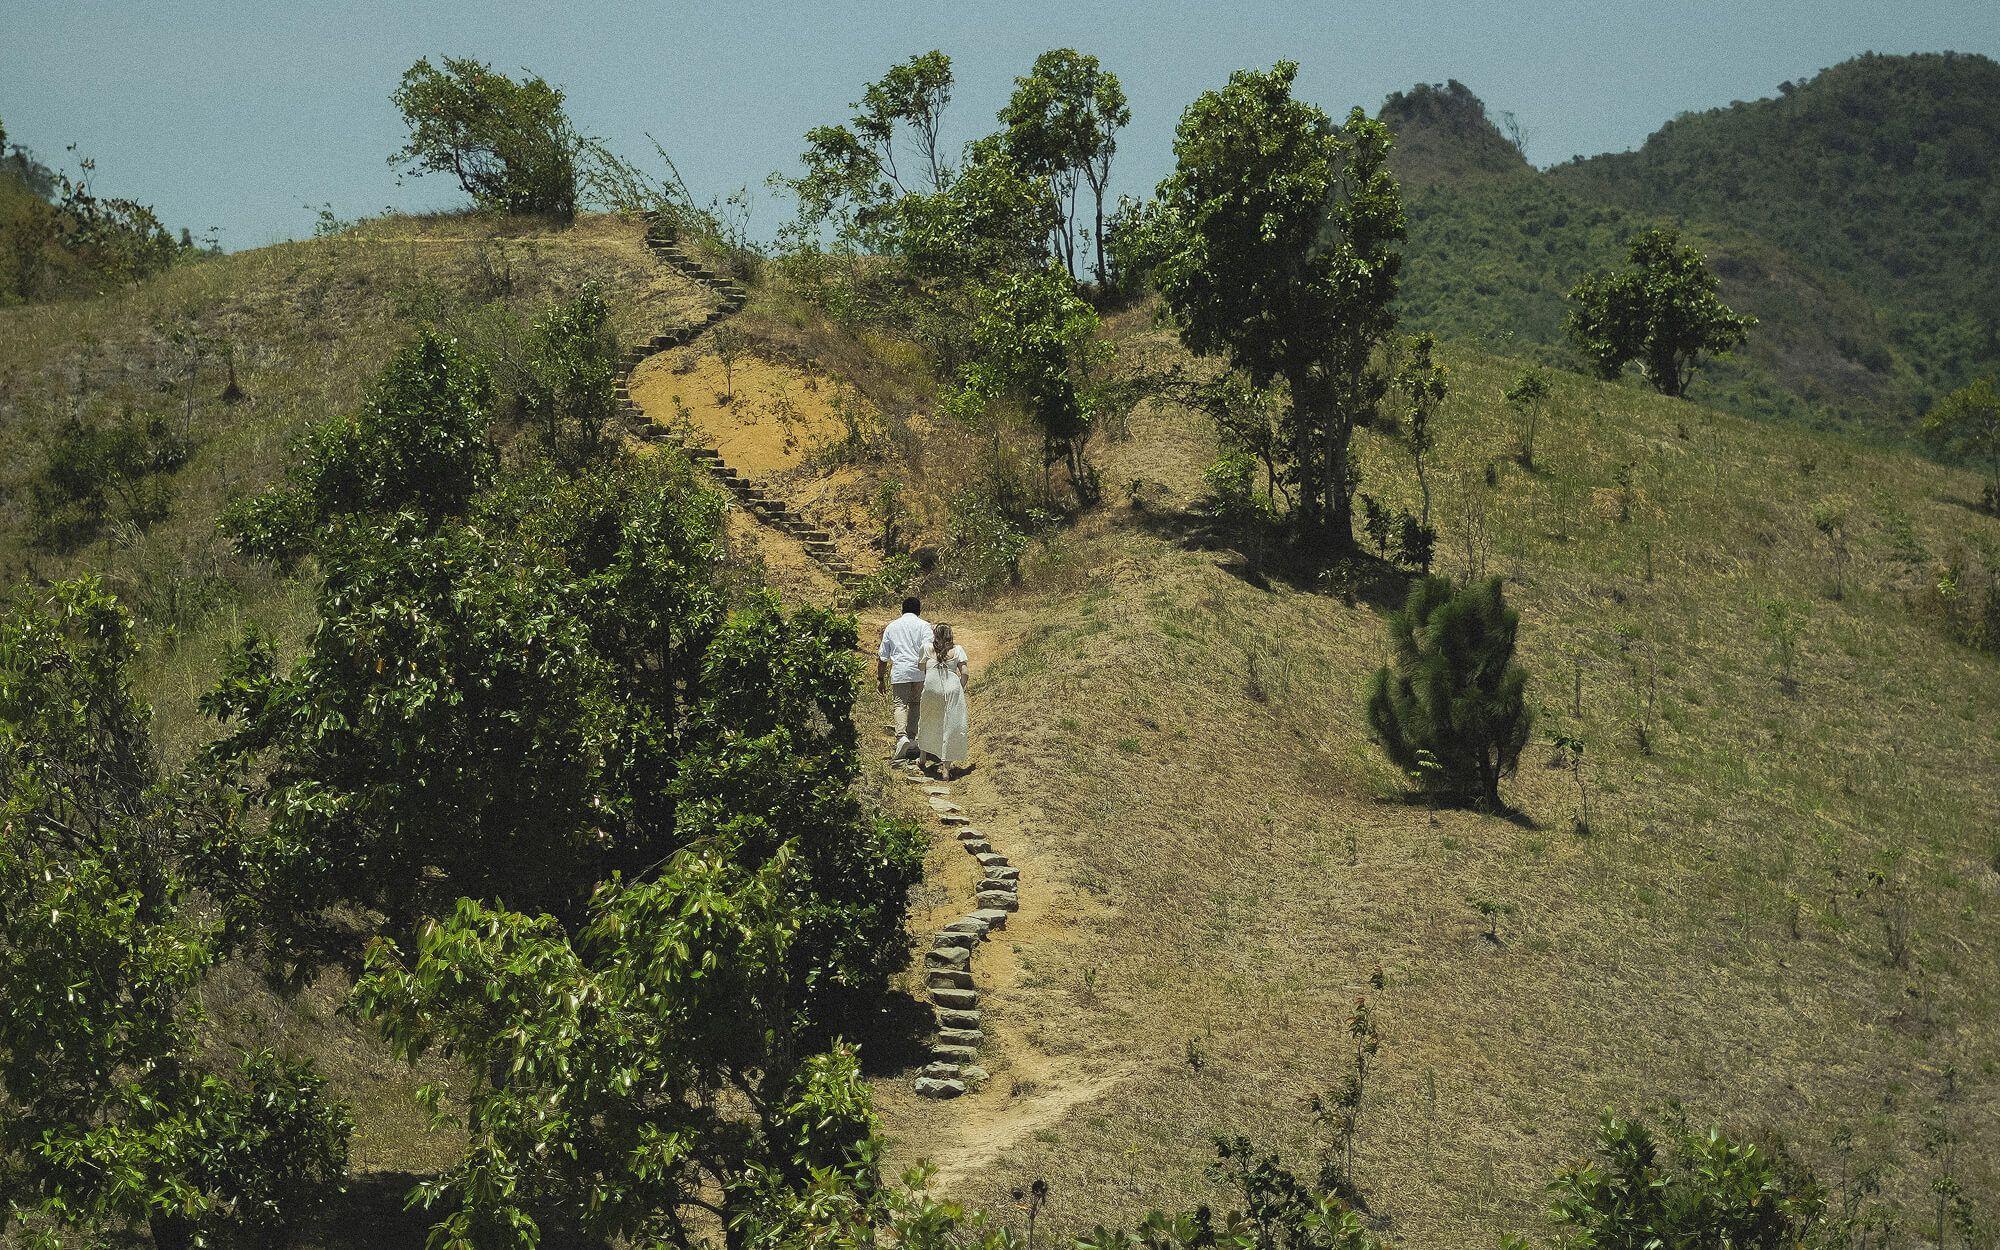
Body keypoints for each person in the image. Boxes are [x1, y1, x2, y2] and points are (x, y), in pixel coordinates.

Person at [877, 596, 933, 760]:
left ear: (902, 610)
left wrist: (880, 678)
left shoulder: (892, 627)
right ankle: (912, 738)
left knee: (900, 704)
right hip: (919, 671)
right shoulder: (924, 626)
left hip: (900, 671)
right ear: (919, 610)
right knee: (916, 704)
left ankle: (901, 737)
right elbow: (929, 649)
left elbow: (883, 656)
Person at [916, 623, 970, 778]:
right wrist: (960, 687)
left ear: (935, 636)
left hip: (932, 688)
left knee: (927, 721)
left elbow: (920, 667)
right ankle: (946, 768)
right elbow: (965, 672)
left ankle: (922, 758)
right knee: (951, 724)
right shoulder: (958, 650)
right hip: (952, 688)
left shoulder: (927, 648)